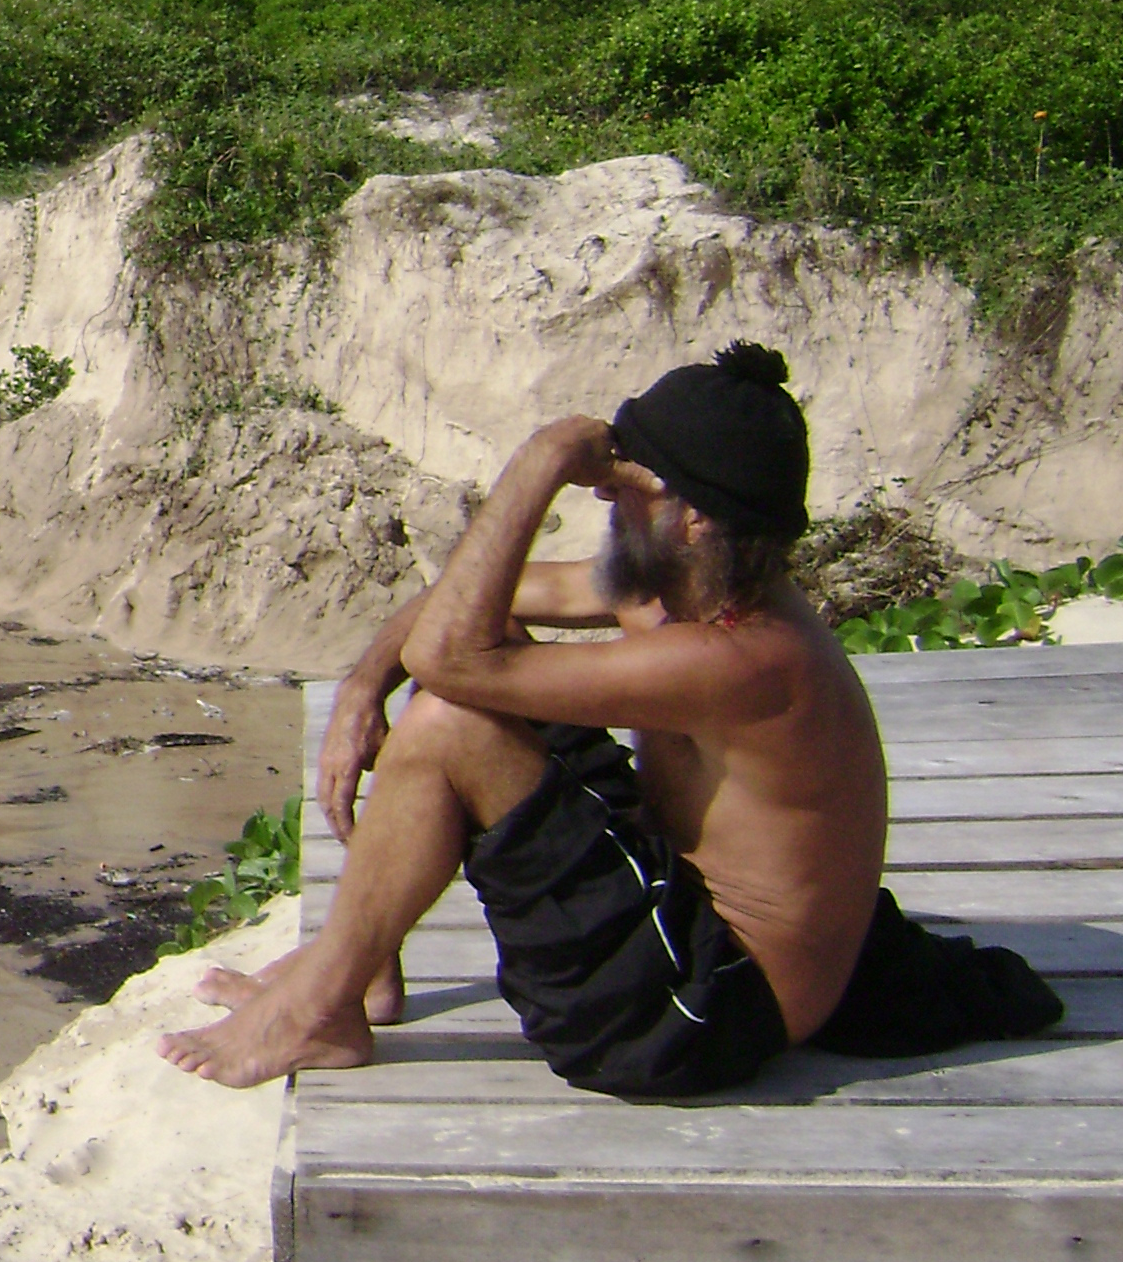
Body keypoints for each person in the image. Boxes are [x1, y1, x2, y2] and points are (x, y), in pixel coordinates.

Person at [159, 342, 886, 1098]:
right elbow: (465, 610)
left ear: (694, 519)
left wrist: (543, 460)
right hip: (680, 915)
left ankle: (318, 1009)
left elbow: (446, 655)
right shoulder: (683, 593)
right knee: (484, 652)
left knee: (451, 717)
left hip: (705, 1009)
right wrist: (361, 691)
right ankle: (356, 972)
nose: (605, 498)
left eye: (629, 482)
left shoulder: (743, 661)